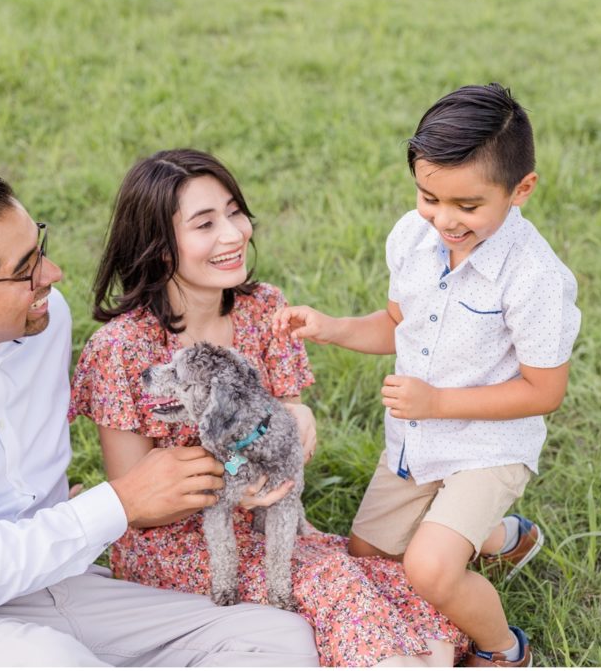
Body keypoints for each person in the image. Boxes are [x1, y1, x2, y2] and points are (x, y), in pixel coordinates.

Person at [0, 168, 320, 667]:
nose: (53, 274)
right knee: (54, 661)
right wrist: (122, 501)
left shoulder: (43, 323)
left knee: (277, 639)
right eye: (26, 269)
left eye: (40, 248)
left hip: (58, 580)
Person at [69, 148, 470, 667]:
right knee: (330, 583)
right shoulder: (121, 350)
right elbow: (137, 503)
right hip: (179, 545)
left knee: (400, 587)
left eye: (235, 212)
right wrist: (236, 479)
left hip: (271, 522)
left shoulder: (263, 309)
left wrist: (297, 420)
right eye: (205, 223)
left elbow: (283, 420)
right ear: (160, 247)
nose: (234, 233)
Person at [273, 83, 581, 667]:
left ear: (522, 190)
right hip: (417, 442)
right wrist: (333, 326)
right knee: (367, 557)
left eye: (468, 206)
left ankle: (503, 649)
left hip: (489, 445)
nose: (445, 219)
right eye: (428, 196)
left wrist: (438, 400)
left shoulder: (535, 277)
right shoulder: (413, 239)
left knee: (430, 569)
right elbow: (398, 324)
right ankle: (502, 538)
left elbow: (546, 391)